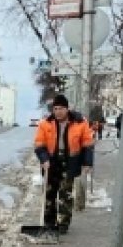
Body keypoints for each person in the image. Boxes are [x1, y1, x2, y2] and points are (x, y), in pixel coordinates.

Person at [33, 94, 94, 235]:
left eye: (61, 108)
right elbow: (39, 144)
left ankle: (63, 224)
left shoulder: (80, 122)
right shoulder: (45, 123)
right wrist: (44, 159)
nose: (58, 111)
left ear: (67, 109)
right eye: (55, 108)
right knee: (49, 194)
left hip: (70, 163)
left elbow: (87, 144)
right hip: (51, 162)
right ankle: (48, 223)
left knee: (65, 194)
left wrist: (87, 162)